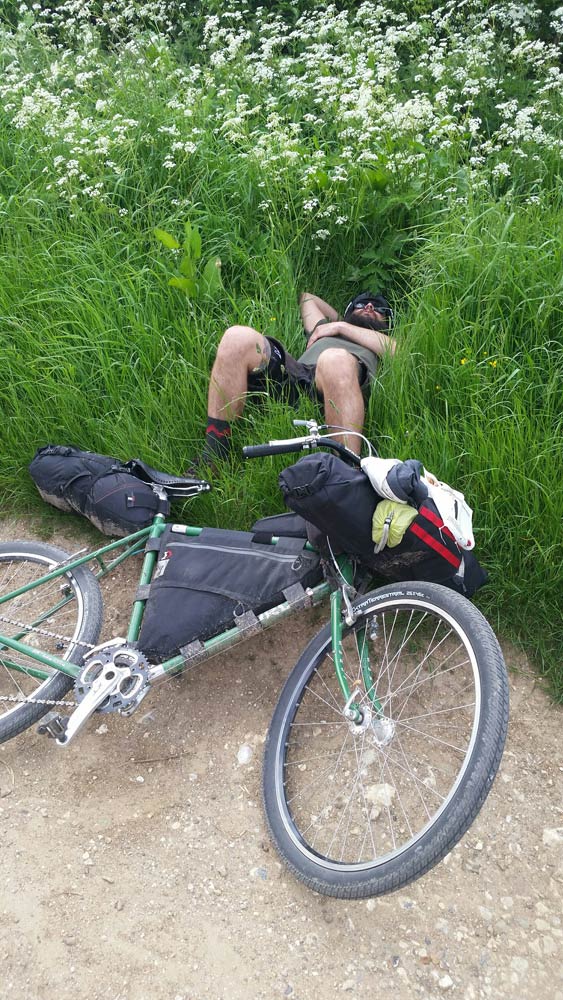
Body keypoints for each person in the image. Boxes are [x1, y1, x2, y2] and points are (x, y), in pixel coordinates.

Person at [192, 290, 396, 469]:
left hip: (339, 376)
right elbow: (307, 298)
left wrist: (342, 327)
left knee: (334, 358)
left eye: (380, 309)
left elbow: (399, 351)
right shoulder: (325, 327)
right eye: (361, 304)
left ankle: (346, 471)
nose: (369, 306)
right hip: (298, 374)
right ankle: (214, 455)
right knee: (237, 336)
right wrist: (337, 321)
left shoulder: (384, 340)